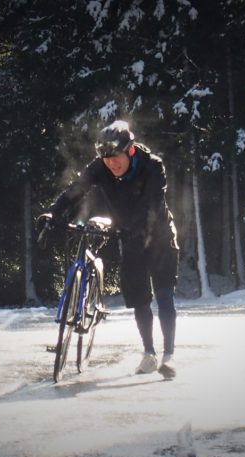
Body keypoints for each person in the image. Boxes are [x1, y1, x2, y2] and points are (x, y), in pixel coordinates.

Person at [49, 120, 179, 378]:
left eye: (116, 158)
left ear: (130, 150)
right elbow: (77, 188)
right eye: (106, 160)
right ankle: (149, 354)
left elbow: (152, 205)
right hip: (130, 236)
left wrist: (136, 228)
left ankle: (169, 356)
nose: (111, 164)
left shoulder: (153, 166)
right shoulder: (101, 166)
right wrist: (54, 213)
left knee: (163, 294)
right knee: (139, 299)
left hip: (160, 236)